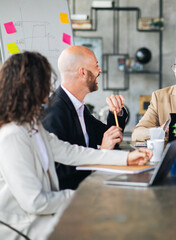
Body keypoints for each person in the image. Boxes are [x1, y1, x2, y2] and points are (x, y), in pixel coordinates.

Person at [0, 51, 152, 240]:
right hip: (23, 225)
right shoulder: (12, 135)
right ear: (30, 87)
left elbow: (71, 152)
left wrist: (127, 158)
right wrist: (87, 196)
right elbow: (35, 203)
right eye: (45, 81)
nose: (49, 88)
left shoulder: (32, 126)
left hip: (44, 215)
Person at [41, 46, 129, 190]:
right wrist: (101, 154)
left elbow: (109, 135)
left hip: (91, 189)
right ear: (82, 72)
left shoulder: (79, 107)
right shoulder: (54, 112)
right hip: (73, 199)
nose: (100, 70)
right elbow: (58, 173)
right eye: (96, 65)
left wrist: (116, 112)